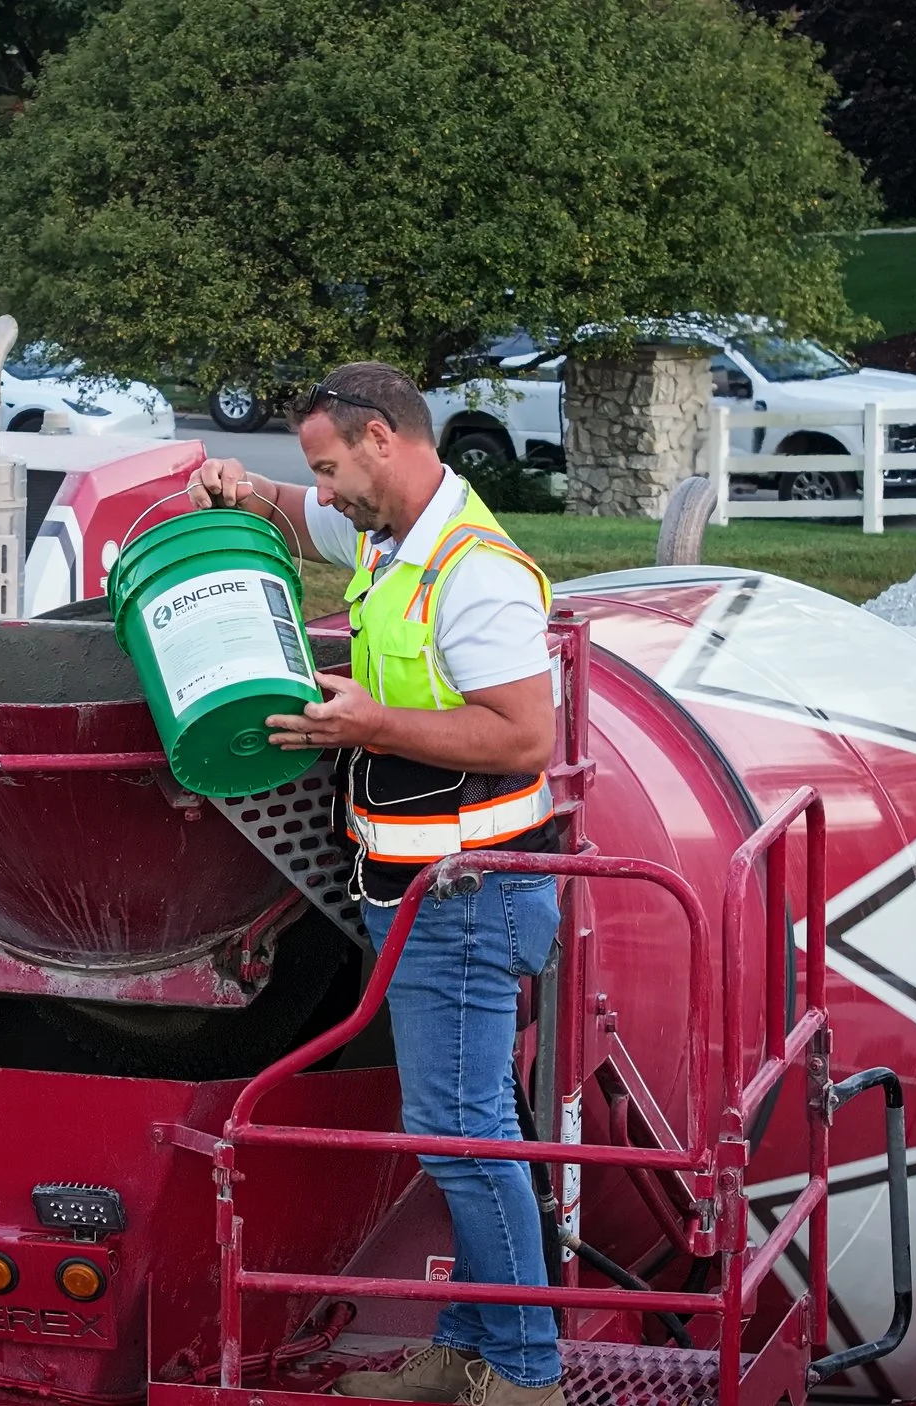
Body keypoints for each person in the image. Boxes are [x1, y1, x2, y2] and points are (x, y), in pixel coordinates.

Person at [188, 363, 564, 1406]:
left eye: (327, 467)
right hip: (418, 885)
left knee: (463, 1133)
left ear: (381, 440)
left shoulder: (472, 571)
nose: (324, 490)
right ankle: (463, 1343)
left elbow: (527, 733)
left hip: (465, 892)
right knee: (459, 1125)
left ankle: (527, 1376)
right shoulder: (385, 531)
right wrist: (245, 491)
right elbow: (303, 520)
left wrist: (371, 723)